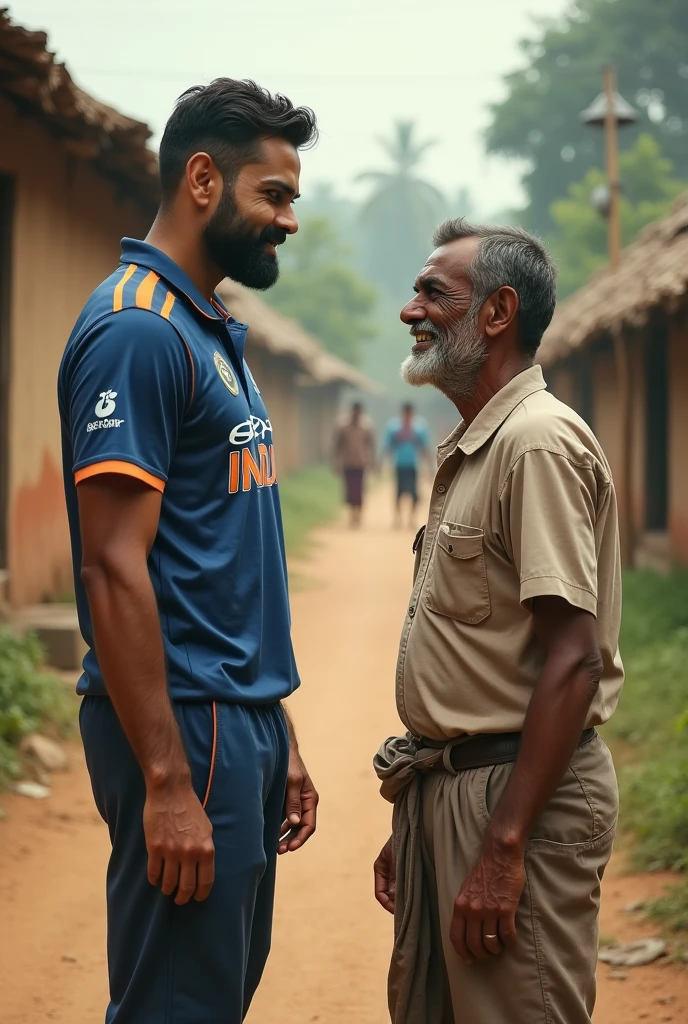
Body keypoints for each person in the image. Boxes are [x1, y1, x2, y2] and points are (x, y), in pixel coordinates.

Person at [58, 79, 320, 1024]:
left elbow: (217, 557)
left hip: (230, 720)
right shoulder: (139, 329)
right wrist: (169, 779)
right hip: (186, 730)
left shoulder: (205, 327)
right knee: (179, 1003)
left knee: (215, 991)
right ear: (203, 178)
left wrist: (274, 728)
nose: (289, 219)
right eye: (275, 194)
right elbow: (112, 567)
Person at [373, 218, 623, 1024]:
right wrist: (426, 816)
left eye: (432, 292)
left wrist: (503, 845)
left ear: (496, 313)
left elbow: (574, 660)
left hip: (518, 798)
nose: (411, 310)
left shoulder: (537, 445)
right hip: (461, 791)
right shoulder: (480, 444)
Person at [383, 402, 431, 529]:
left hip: (413, 465)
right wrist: (381, 462)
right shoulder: (394, 427)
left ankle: (411, 518)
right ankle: (398, 518)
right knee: (398, 493)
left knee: (414, 494)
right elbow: (388, 446)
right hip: (399, 464)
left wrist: (430, 466)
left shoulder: (419, 428)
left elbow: (424, 447)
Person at [332, 401, 376, 527]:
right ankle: (352, 515)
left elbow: (371, 445)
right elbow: (338, 445)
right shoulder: (343, 426)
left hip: (361, 463)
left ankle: (359, 516)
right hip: (348, 463)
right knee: (350, 490)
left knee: (360, 490)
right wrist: (336, 462)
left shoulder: (366, 427)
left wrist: (372, 461)